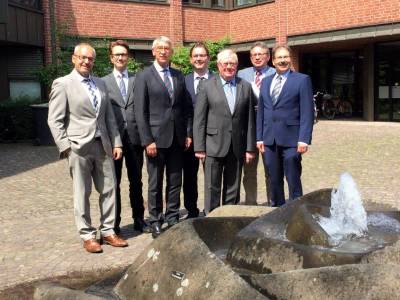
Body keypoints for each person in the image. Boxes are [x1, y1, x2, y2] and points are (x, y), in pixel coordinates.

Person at [47, 43, 128, 253]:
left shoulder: (100, 84)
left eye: (90, 59)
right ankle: (88, 235)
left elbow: (110, 117)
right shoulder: (63, 84)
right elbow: (54, 120)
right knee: (82, 192)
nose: (86, 62)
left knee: (109, 189)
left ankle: (108, 231)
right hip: (78, 147)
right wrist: (66, 147)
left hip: (104, 146)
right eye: (82, 58)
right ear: (74, 59)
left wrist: (117, 142)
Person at [134, 36, 193, 238]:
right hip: (155, 141)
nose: (163, 51)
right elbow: (140, 112)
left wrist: (187, 133)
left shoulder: (178, 75)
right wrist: (147, 140)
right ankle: (156, 219)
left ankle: (173, 217)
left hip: (177, 139)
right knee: (155, 183)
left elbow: (185, 108)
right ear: (153, 52)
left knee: (175, 180)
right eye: (159, 48)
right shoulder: (143, 76)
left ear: (171, 52)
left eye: (167, 48)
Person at [194, 49, 256, 214]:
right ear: (219, 65)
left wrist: (250, 148)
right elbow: (199, 119)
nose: (229, 67)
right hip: (212, 145)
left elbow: (250, 120)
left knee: (233, 187)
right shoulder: (207, 86)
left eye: (233, 64)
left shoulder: (246, 86)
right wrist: (199, 147)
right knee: (212, 186)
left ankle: (229, 217)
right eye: (226, 63)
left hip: (237, 146)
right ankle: (212, 217)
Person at [256, 44, 314, 207]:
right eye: (279, 57)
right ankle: (277, 211)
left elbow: (307, 112)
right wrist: (259, 137)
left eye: (285, 57)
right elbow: (261, 110)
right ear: (273, 61)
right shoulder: (266, 82)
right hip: (269, 140)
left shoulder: (302, 80)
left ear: (290, 59)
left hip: (292, 140)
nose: (283, 60)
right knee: (274, 180)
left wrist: (304, 139)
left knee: (293, 178)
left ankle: (297, 211)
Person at [102, 40, 149, 234]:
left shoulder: (137, 79)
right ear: (111, 57)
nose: (121, 57)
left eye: (124, 54)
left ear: (128, 57)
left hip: (135, 138)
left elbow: (144, 108)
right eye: (117, 55)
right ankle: (115, 223)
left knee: (136, 181)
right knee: (114, 183)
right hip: (114, 141)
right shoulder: (103, 82)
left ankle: (139, 219)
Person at [238, 41, 275, 206]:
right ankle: (251, 203)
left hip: (270, 130)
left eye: (261, 54)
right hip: (249, 130)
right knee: (249, 172)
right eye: (254, 55)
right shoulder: (242, 74)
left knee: (271, 170)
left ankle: (272, 203)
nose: (257, 57)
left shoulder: (276, 73)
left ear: (268, 56)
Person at [183, 42, 213, 219]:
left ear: (208, 58)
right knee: (189, 176)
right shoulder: (183, 80)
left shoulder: (217, 79)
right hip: (189, 137)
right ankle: (191, 210)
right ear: (190, 59)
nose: (199, 59)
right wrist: (186, 133)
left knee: (211, 176)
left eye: (202, 55)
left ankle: (211, 209)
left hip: (211, 136)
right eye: (196, 56)